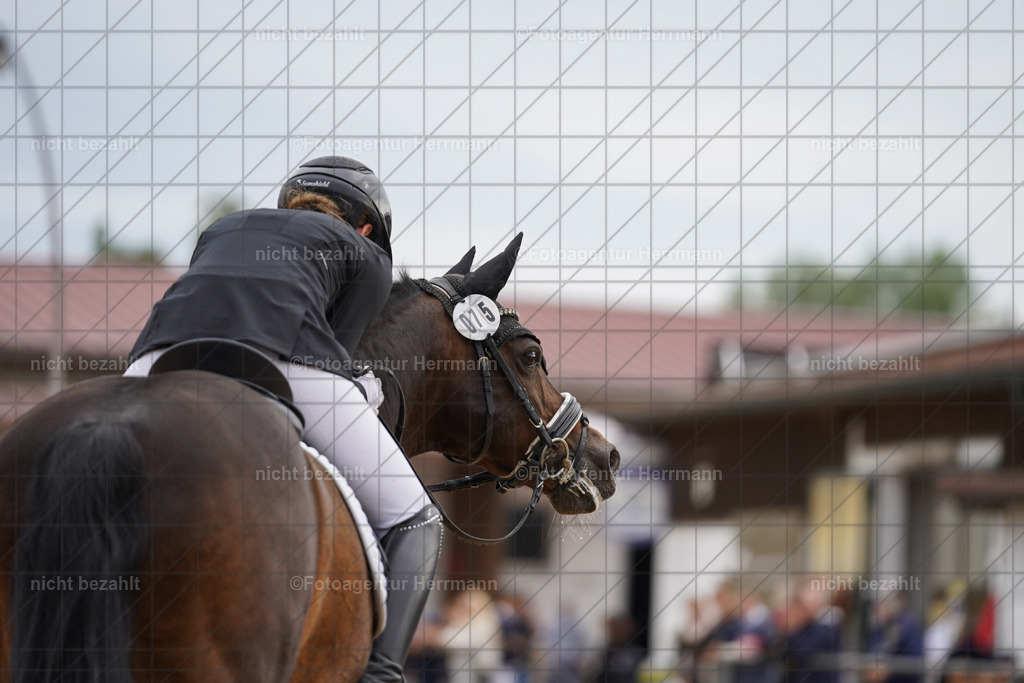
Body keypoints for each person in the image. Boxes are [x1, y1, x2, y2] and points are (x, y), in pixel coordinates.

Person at [123, 156, 443, 682]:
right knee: (415, 517)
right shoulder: (366, 254)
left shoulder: (222, 228)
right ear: (367, 225)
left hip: (155, 359)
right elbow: (340, 352)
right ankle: (382, 673)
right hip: (284, 359)